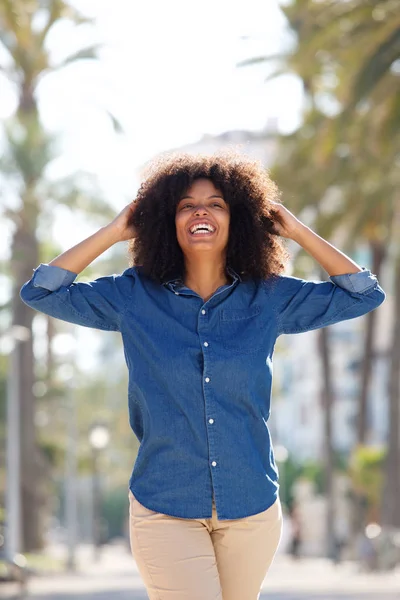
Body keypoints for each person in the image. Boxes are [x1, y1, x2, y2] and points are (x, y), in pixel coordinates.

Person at [20, 152, 385, 600]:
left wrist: (292, 228)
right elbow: (41, 291)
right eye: (185, 205)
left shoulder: (268, 297)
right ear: (166, 222)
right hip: (166, 504)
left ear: (240, 219)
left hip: (251, 505)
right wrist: (116, 231)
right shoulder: (133, 296)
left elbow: (363, 294)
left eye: (216, 203)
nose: (201, 212)